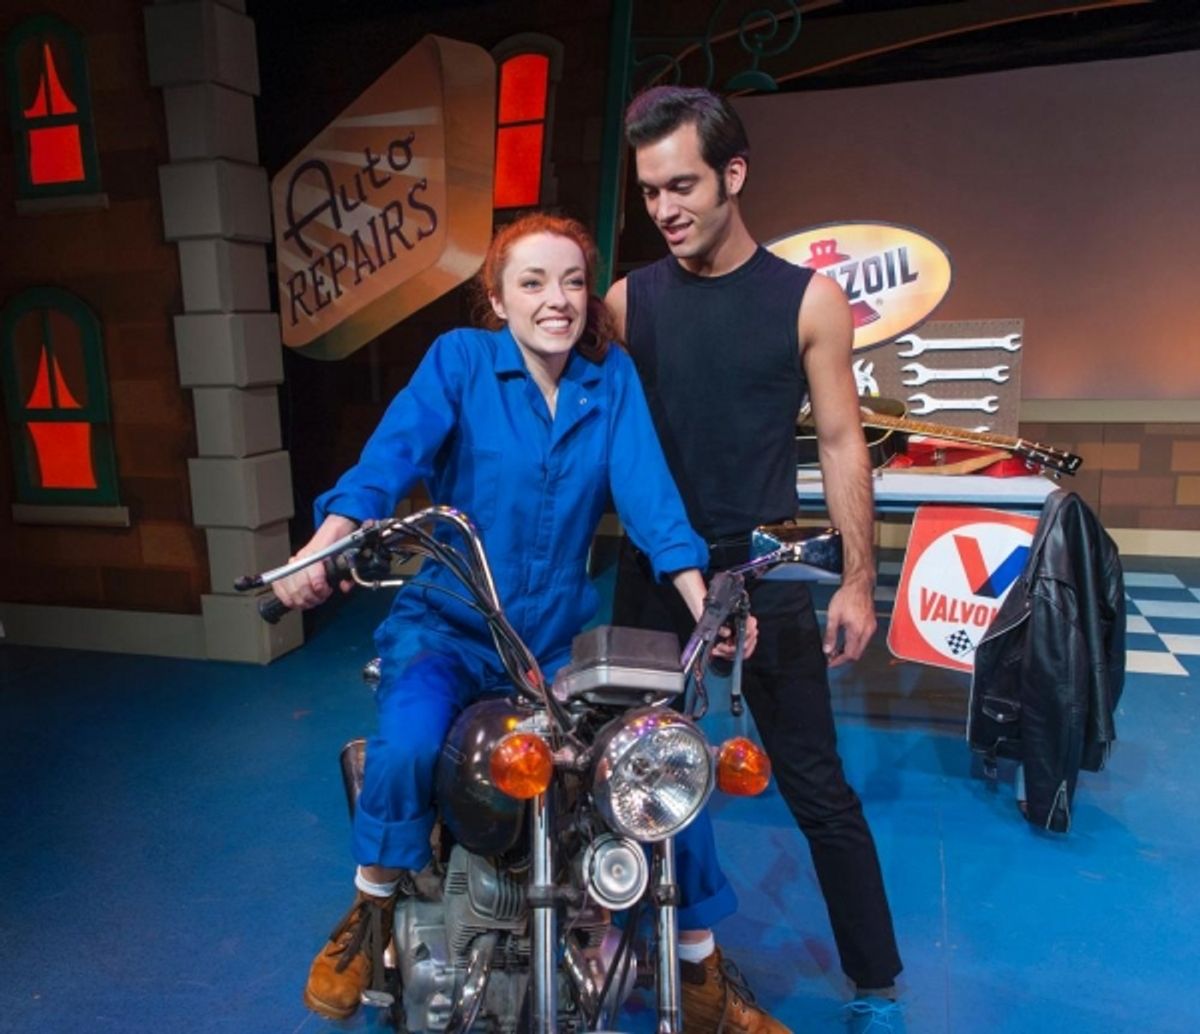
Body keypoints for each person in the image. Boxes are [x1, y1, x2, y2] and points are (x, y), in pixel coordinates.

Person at [272, 212, 755, 1022]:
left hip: (555, 643)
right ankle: (371, 909)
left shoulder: (611, 382)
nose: (556, 299)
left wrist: (709, 606)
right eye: (532, 282)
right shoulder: (461, 361)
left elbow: (652, 503)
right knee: (411, 744)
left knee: (660, 762)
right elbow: (390, 458)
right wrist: (322, 546)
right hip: (449, 626)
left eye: (572, 281)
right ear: (497, 299)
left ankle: (700, 968)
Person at [606, 86, 905, 1034]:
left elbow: (844, 443)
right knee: (625, 782)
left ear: (734, 175)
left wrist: (860, 580)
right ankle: (624, 950)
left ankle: (876, 977)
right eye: (651, 191)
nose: (665, 209)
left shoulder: (807, 300)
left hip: (761, 578)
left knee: (817, 784)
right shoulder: (624, 303)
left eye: (683, 184)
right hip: (654, 576)